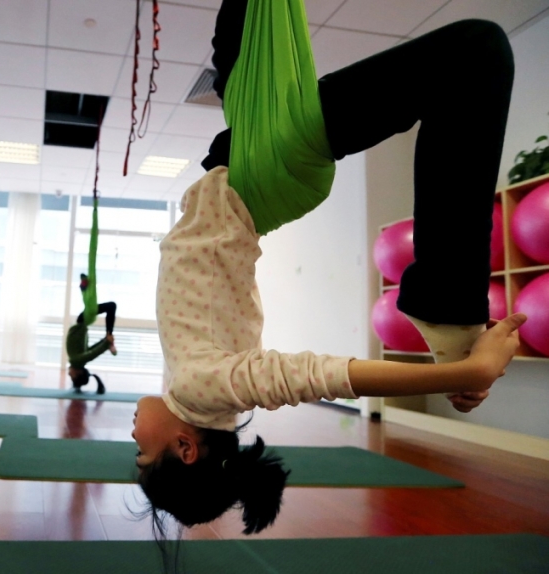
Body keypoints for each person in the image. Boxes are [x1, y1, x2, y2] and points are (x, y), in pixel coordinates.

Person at [133, 0, 524, 539]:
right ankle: (450, 314)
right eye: (140, 450)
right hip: (266, 169)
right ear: (184, 447)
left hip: (245, 164)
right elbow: (313, 375)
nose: (133, 433)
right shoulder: (204, 388)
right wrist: (463, 373)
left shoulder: (193, 391)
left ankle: (450, 311)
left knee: (237, 38)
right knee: (473, 53)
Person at [66, 300, 118, 394]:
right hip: (83, 320)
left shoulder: (78, 359)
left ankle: (109, 337)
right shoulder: (76, 360)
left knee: (111, 306)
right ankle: (109, 337)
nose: (69, 374)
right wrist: (106, 343)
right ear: (79, 373)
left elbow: (91, 350)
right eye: (72, 376)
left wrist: (105, 341)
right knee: (111, 306)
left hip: (82, 321)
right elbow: (94, 353)